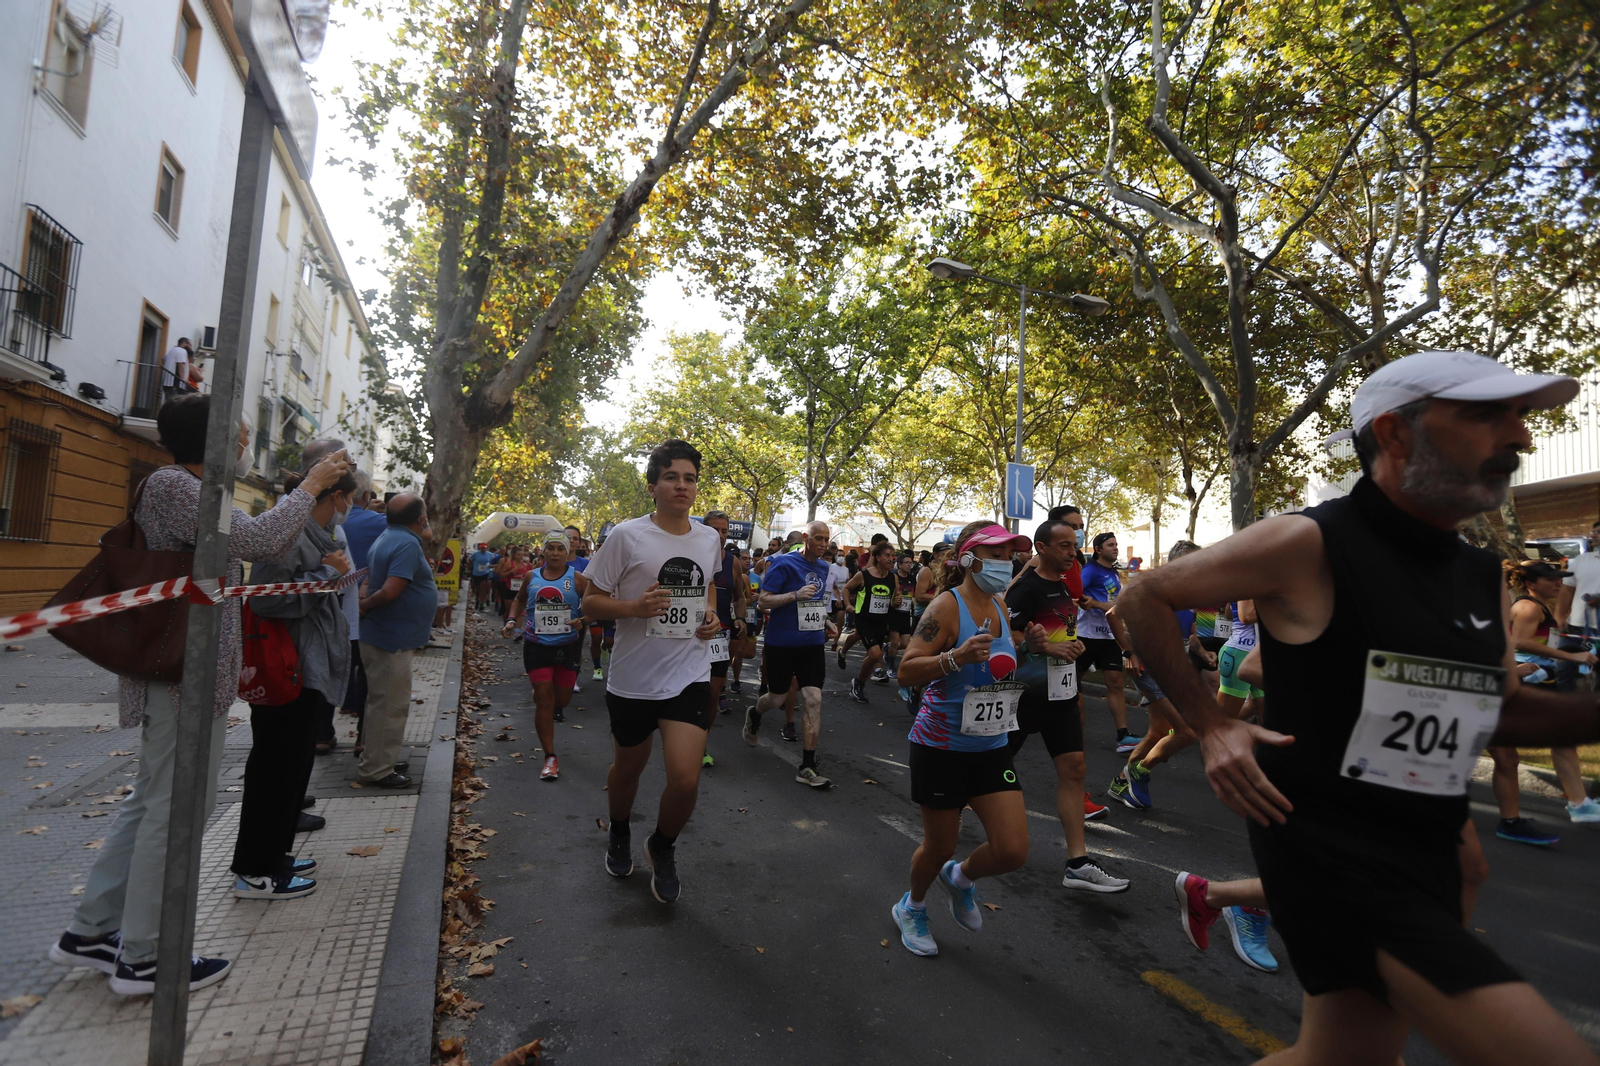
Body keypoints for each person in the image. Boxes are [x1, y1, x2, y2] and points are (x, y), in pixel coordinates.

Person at [1115, 349, 1600, 1066]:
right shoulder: (1310, 540)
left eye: (1521, 417)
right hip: (1331, 857)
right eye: (1487, 415)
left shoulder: (1475, 573)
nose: (1522, 438)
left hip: (1429, 849)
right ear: (1396, 434)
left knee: (1342, 1060)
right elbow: (1143, 597)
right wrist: (1213, 728)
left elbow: (1497, 712)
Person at [49, 392, 352, 996]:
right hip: (182, 672)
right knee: (175, 805)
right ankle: (144, 955)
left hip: (187, 670)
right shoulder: (177, 489)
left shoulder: (182, 489)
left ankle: (92, 931)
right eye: (239, 440)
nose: (246, 448)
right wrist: (311, 482)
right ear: (214, 443)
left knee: (155, 799)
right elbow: (260, 539)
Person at [581, 440, 722, 903]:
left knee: (685, 778)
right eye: (671, 477)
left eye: (689, 478)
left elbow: (708, 593)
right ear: (653, 486)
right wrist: (634, 608)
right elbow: (591, 601)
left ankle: (661, 846)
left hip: (688, 673)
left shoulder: (708, 538)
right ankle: (619, 831)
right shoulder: (627, 536)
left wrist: (710, 618)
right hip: (633, 679)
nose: (681, 485)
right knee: (629, 768)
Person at [890, 521, 1032, 958]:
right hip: (941, 747)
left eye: (1010, 556)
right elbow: (907, 669)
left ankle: (961, 878)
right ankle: (911, 906)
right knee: (940, 845)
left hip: (990, 745)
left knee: (1012, 850)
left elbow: (996, 663)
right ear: (969, 558)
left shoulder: (1000, 606)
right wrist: (955, 657)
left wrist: (1031, 647)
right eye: (996, 555)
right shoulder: (946, 608)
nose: (1006, 564)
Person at [232, 457, 358, 900]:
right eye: (349, 498)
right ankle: (255, 871)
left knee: (293, 769)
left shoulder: (317, 534)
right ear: (337, 497)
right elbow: (266, 602)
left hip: (308, 671)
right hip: (287, 672)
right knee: (274, 770)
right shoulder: (290, 536)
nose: (350, 508)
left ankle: (276, 856)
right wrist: (330, 573)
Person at [1007, 517, 1129, 892]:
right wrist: (1040, 646)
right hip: (1025, 695)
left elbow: (1061, 632)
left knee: (1074, 769)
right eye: (1063, 546)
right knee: (988, 764)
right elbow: (1006, 637)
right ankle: (951, 807)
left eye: (1074, 546)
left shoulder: (1063, 588)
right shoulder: (1026, 588)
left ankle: (1077, 861)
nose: (1071, 552)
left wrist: (1070, 648)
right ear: (1041, 548)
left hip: (1061, 693)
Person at [1487, 560, 1600, 838]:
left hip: (1539, 677)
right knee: (1510, 753)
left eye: (1560, 578)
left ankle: (1580, 803)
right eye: (1551, 579)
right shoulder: (1527, 606)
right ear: (1531, 583)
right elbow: (1519, 643)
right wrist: (1570, 656)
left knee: (1563, 738)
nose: (1558, 583)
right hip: (1521, 679)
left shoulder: (1540, 606)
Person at [745, 521, 838, 786]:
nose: (823, 544)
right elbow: (763, 600)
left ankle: (807, 766)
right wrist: (794, 595)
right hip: (781, 643)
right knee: (776, 698)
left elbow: (817, 603)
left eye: (826, 539)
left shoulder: (823, 567)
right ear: (806, 538)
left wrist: (827, 621)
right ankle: (755, 713)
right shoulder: (784, 564)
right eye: (818, 538)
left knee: (813, 698)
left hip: (810, 643)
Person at [356, 493, 437, 789]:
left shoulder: (389, 536)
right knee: (390, 705)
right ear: (421, 519)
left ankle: (381, 757)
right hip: (390, 639)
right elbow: (390, 591)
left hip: (387, 636)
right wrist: (364, 606)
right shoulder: (405, 543)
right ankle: (377, 769)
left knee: (381, 702)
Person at [503, 530, 588, 780]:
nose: (555, 553)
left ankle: (544, 694)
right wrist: (511, 620)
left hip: (568, 646)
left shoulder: (578, 578)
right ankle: (550, 757)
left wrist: (584, 619)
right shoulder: (532, 576)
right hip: (536, 645)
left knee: (561, 701)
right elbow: (518, 601)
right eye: (550, 548)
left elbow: (596, 602)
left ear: (567, 552)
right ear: (543, 551)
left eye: (560, 548)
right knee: (544, 698)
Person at [1078, 532, 1141, 753]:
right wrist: (1093, 603)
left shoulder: (1113, 572)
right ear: (1098, 549)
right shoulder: (1089, 571)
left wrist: (1096, 603)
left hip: (1109, 636)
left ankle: (1123, 736)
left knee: (1115, 683)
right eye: (1110, 545)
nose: (1115, 548)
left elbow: (1116, 605)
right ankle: (1072, 734)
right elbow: (1076, 596)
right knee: (1073, 685)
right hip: (1086, 635)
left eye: (1116, 544)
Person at [701, 510, 747, 767]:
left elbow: (740, 597)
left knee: (712, 691)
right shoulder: (691, 555)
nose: (719, 535)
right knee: (690, 691)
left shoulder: (732, 562)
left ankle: (700, 743)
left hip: (720, 637)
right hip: (691, 636)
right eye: (714, 530)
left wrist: (740, 618)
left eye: (724, 531)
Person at [843, 541, 900, 703]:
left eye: (892, 556)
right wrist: (848, 604)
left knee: (874, 657)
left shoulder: (893, 577)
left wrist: (896, 602)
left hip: (881, 621)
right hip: (863, 619)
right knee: (875, 654)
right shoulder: (864, 575)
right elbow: (846, 588)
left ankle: (858, 683)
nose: (891, 559)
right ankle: (859, 682)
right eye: (887, 556)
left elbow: (893, 600)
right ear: (877, 557)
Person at [469, 542, 498, 610]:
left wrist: (492, 566)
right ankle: (477, 601)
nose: (483, 549)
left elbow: (493, 561)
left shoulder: (489, 554)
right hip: (476, 573)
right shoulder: (475, 554)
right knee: (477, 589)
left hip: (485, 573)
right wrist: (472, 566)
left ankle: (482, 603)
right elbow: (470, 560)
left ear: (486, 548)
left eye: (484, 548)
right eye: (482, 548)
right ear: (480, 548)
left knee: (483, 588)